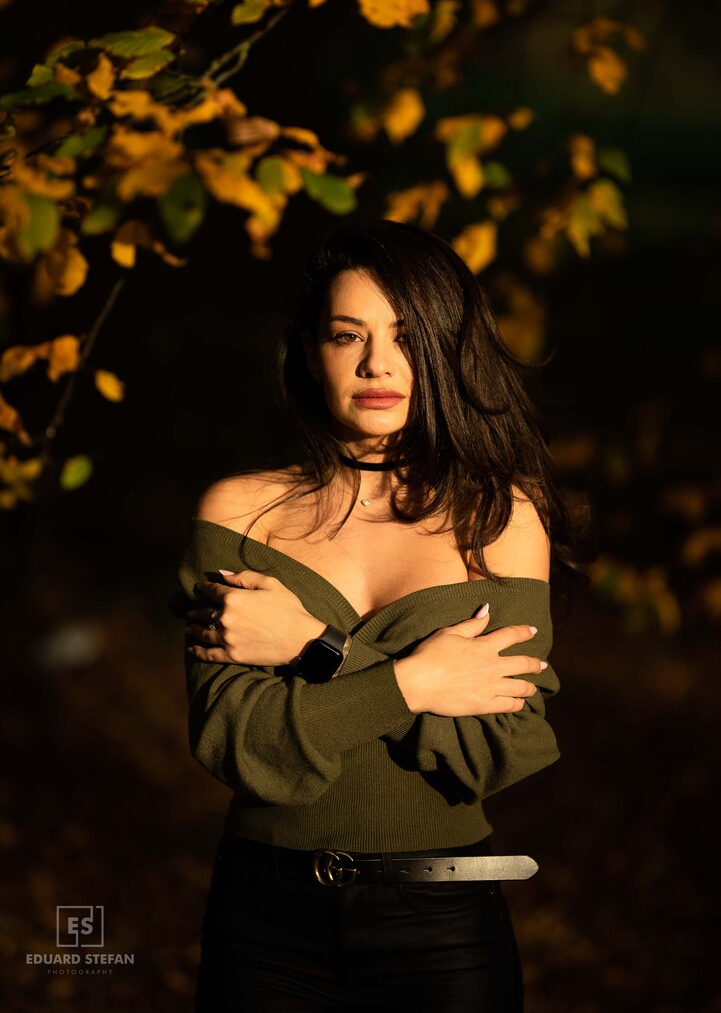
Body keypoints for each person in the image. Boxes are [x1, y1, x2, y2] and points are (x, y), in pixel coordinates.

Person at [172, 219, 587, 1011]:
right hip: (263, 921)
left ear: (444, 350)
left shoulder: (499, 519)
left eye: (405, 334)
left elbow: (500, 747)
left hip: (443, 923)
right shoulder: (240, 516)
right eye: (345, 334)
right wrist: (422, 683)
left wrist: (311, 645)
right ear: (307, 351)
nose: (377, 364)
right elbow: (238, 744)